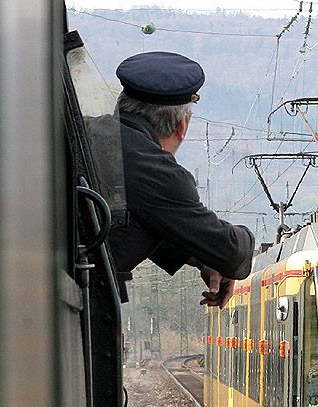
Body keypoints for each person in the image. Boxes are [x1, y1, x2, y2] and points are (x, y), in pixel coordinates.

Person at [96, 51, 255, 306]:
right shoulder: (155, 171)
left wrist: (200, 257)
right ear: (182, 125)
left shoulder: (97, 138)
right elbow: (232, 252)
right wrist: (240, 241)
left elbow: (128, 221)